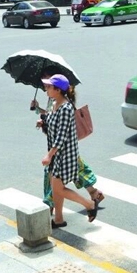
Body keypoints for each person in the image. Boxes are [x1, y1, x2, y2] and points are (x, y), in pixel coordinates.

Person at [31, 70, 104, 210]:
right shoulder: (53, 99)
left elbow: (61, 130)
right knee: (77, 171)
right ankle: (93, 194)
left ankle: (51, 204)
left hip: (64, 149)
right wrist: (38, 110)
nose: (45, 84)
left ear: (57, 88)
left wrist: (49, 155)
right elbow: (50, 116)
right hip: (61, 148)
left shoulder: (64, 104)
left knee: (63, 176)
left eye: (48, 80)